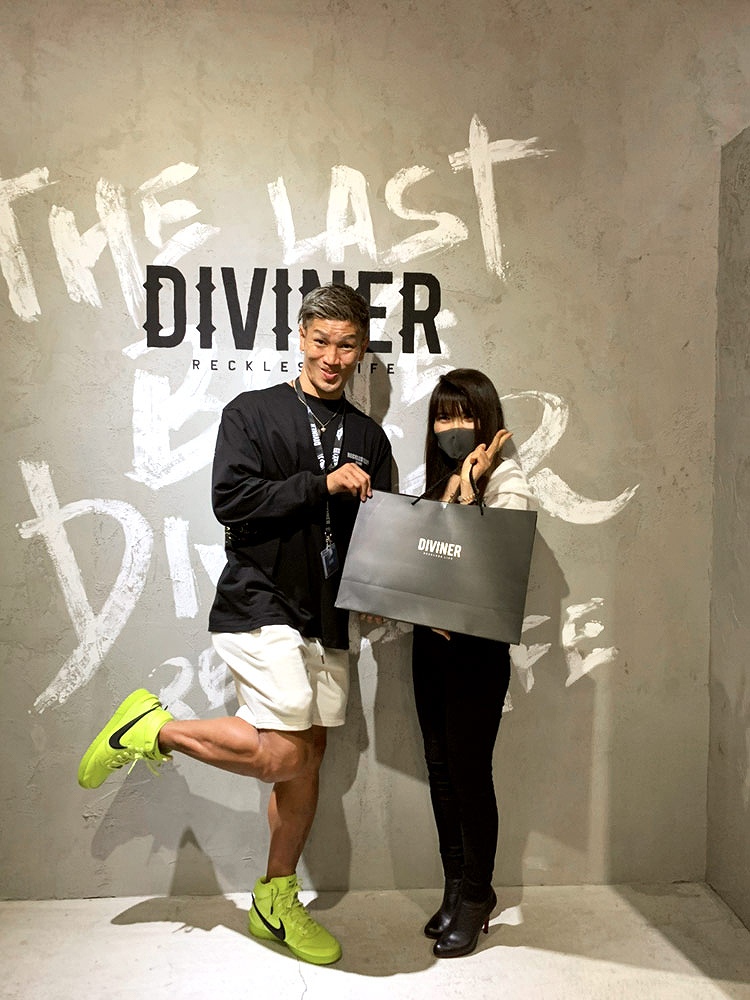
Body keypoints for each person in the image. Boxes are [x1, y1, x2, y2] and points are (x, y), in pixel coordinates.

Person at [77, 283, 392, 966]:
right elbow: (232, 500)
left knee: (308, 758)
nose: (332, 357)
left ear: (361, 349)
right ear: (300, 337)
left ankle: (274, 900)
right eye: (321, 340)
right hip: (261, 600)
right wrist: (322, 483)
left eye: (347, 345)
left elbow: (382, 527)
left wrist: (377, 587)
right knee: (282, 754)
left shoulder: (369, 436)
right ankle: (151, 728)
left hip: (329, 617)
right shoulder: (252, 411)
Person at [411, 368, 535, 959]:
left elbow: (490, 568)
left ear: (487, 419)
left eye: (464, 415)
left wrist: (469, 488)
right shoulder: (439, 481)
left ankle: (479, 894)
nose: (453, 427)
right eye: (443, 416)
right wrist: (456, 485)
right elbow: (422, 560)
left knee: (468, 771)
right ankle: (455, 886)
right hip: (430, 646)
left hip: (476, 652)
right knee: (439, 767)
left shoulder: (508, 482)